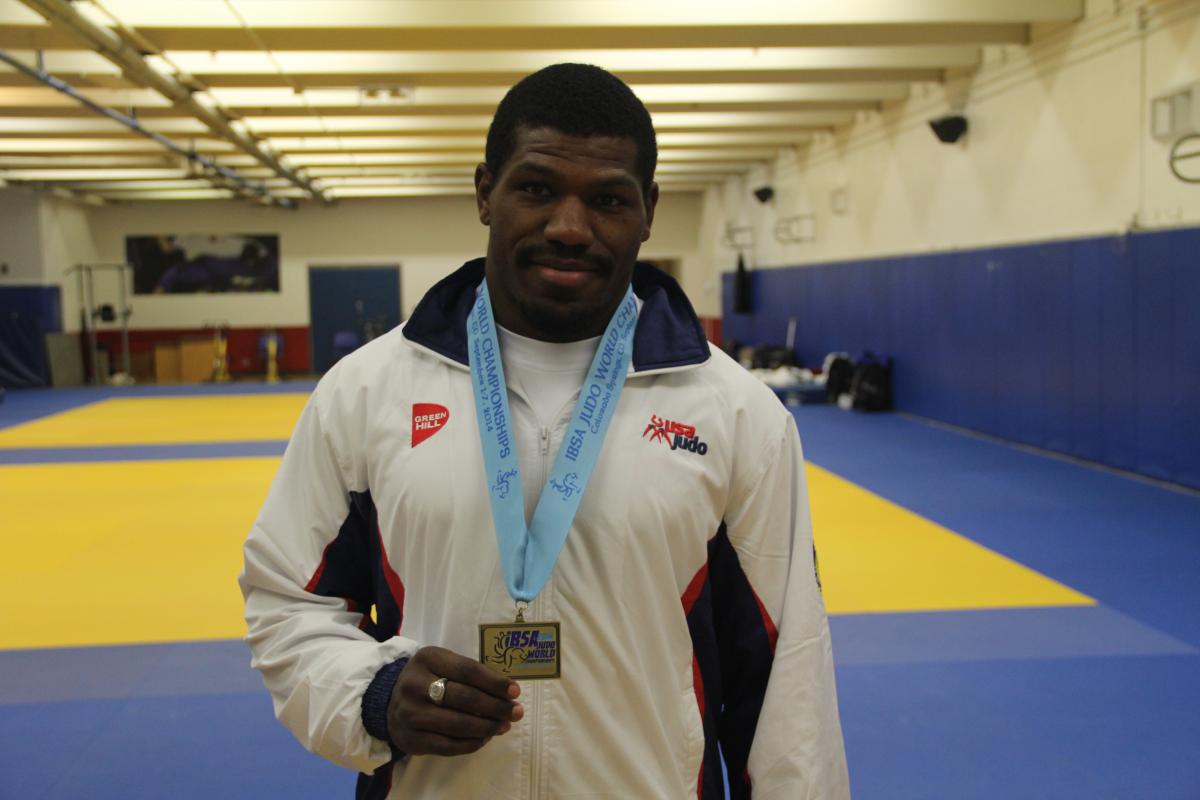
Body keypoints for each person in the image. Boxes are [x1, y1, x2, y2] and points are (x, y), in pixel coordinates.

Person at [240, 63, 849, 799]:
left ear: (648, 211)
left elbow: (789, 680)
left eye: (607, 200)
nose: (569, 226)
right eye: (536, 189)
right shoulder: (369, 392)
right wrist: (371, 696)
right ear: (484, 192)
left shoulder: (735, 414)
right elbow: (288, 601)